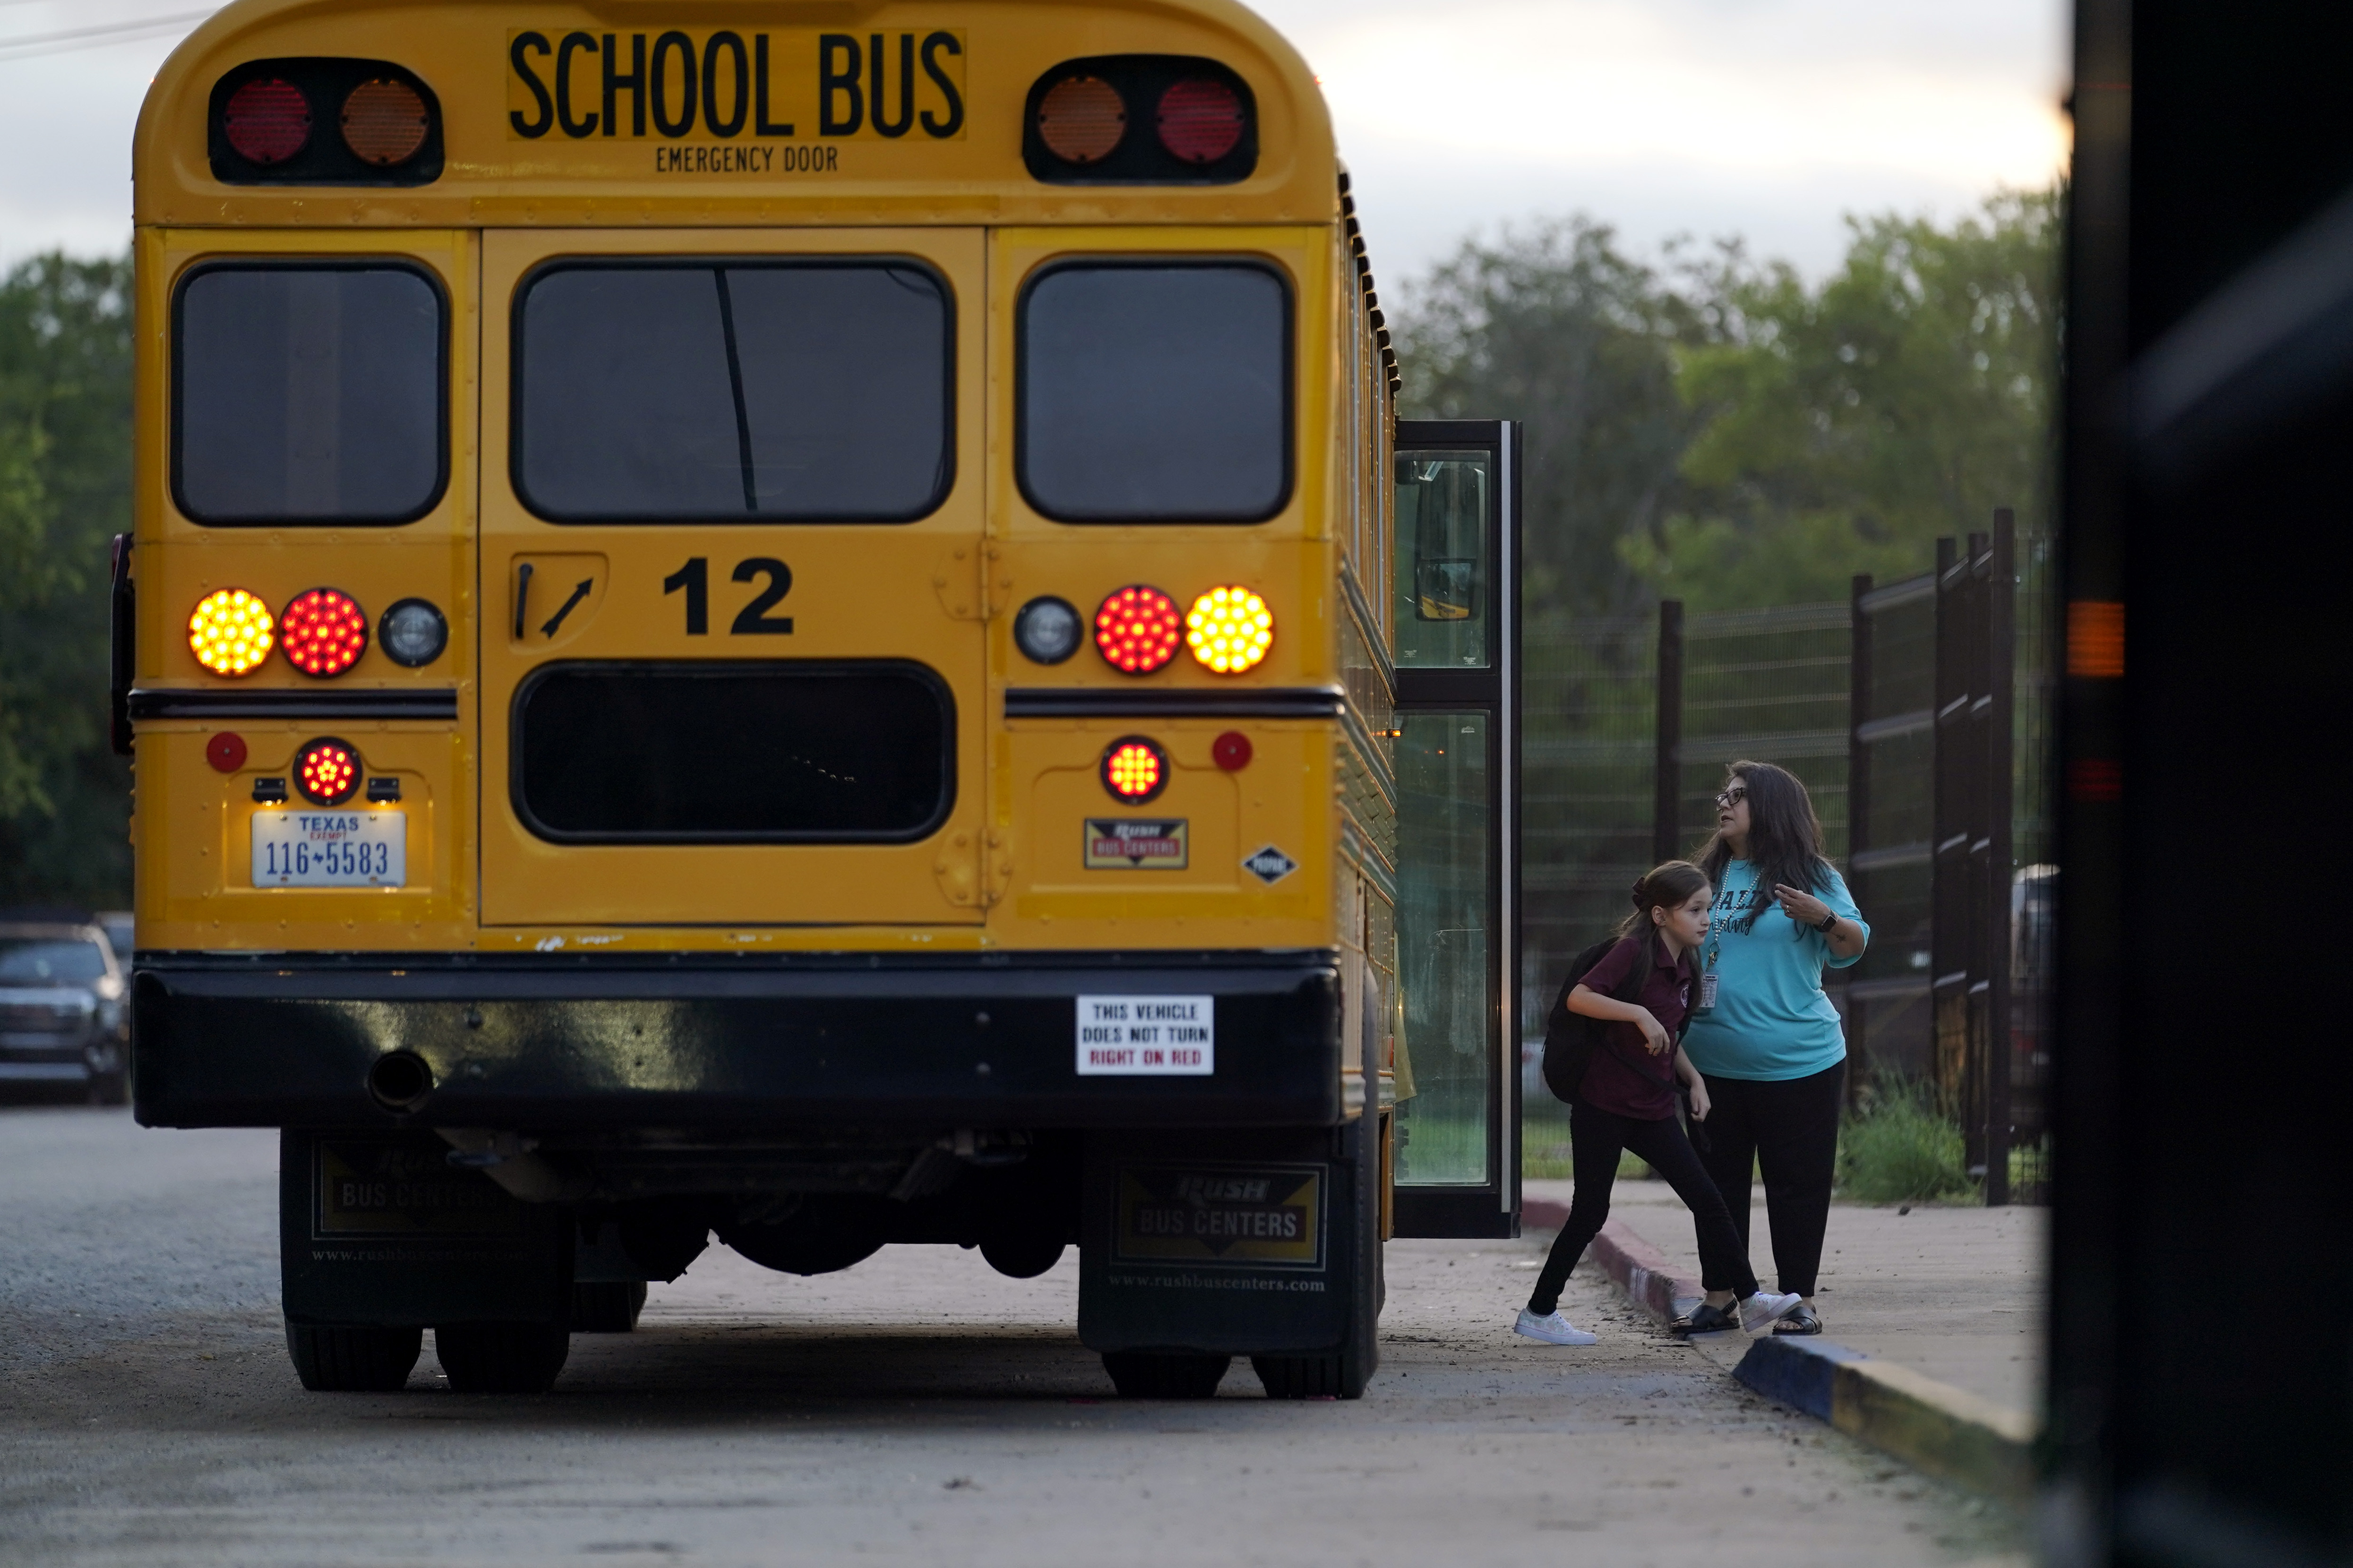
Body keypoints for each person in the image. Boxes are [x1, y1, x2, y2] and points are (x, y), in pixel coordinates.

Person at [1514, 862, 1803, 1346]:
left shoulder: (1687, 965)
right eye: (1694, 910)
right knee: (1590, 1212)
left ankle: (1751, 1299)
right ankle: (1539, 1311)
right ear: (1660, 915)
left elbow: (1669, 1035)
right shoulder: (1630, 952)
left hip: (1651, 1111)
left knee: (1708, 1199)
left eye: (1708, 909)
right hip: (1603, 1106)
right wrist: (1638, 1013)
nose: (1705, 919)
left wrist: (1694, 1079)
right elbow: (1580, 998)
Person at [1678, 761, 1869, 1338]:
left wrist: (1823, 915)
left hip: (1800, 1063)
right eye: (1723, 794)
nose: (1724, 802)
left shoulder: (1811, 874)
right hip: (1709, 1067)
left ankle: (1798, 1300)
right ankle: (1719, 1298)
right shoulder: (1706, 874)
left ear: (1771, 805)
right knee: (1716, 1186)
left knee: (1797, 1186)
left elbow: (1854, 943)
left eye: (1738, 795)